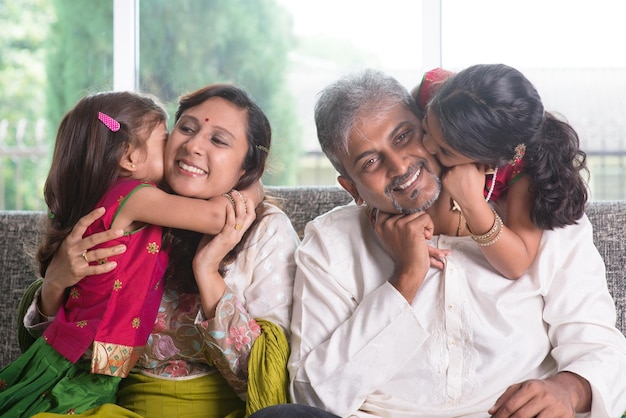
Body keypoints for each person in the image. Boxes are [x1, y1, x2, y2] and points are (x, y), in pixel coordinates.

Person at [254, 69, 626, 417]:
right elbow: (313, 395)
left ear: (433, 129)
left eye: (403, 136)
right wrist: (406, 278)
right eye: (370, 161)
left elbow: (600, 348)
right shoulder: (331, 241)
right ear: (352, 189)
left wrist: (569, 388)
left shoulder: (538, 209)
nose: (399, 166)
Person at [19, 84, 300, 418]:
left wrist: (207, 271)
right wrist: (54, 283)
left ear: (246, 166)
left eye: (219, 140)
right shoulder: (139, 211)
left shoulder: (267, 230)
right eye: (186, 129)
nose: (194, 145)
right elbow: (61, 350)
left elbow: (267, 380)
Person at [420, 63, 589, 280]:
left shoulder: (522, 172)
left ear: (492, 158)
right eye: (425, 126)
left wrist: (472, 203)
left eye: (445, 151)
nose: (426, 146)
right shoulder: (435, 92)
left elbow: (516, 264)